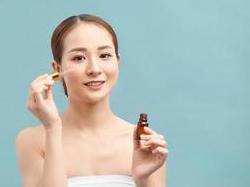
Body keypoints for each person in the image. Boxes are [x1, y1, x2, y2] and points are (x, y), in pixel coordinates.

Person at [15, 14, 168, 187]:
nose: (94, 69)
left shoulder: (145, 143)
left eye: (104, 55)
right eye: (79, 58)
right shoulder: (33, 140)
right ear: (58, 69)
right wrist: (53, 130)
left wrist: (142, 181)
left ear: (117, 62)